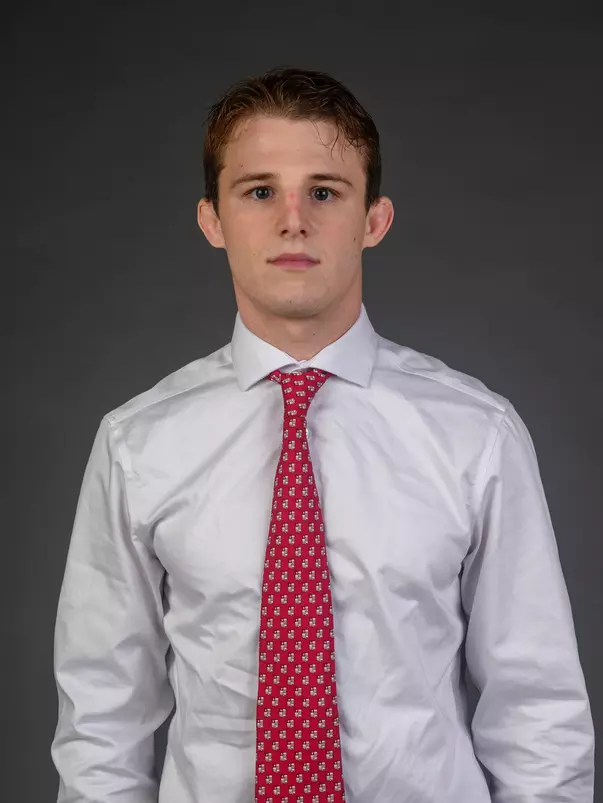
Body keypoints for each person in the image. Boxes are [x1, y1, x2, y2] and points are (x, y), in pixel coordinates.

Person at [51, 66, 595, 803]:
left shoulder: (475, 435)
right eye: (259, 190)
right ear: (212, 219)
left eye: (325, 191)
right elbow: (102, 723)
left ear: (373, 219)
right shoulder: (137, 444)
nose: (292, 221)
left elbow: (537, 711)